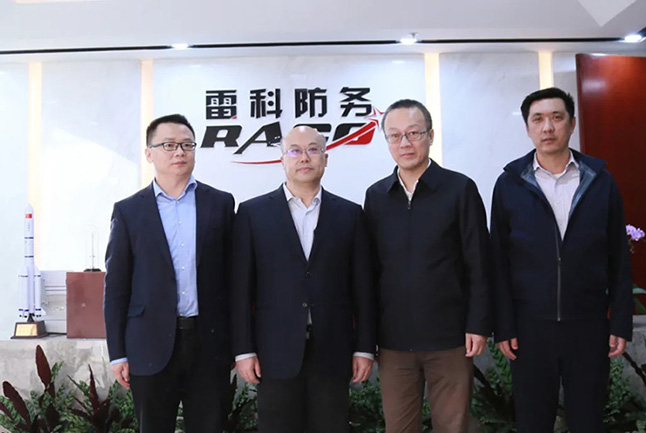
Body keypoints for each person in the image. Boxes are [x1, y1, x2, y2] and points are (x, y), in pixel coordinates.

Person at [491, 87, 633, 432]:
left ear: (572, 124)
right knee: (533, 422)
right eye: (538, 119)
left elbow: (618, 257)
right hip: (529, 329)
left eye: (557, 117)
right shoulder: (509, 184)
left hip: (587, 325)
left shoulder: (600, 181)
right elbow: (498, 261)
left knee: (588, 420)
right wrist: (504, 325)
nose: (548, 127)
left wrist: (620, 322)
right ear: (527, 128)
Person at [231, 126, 375, 433]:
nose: (304, 157)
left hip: (333, 349)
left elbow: (362, 288)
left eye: (313, 149)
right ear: (282, 159)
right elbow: (241, 289)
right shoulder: (252, 213)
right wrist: (244, 350)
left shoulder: (350, 214)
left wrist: (364, 348)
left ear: (326, 158)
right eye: (295, 151)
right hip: (274, 353)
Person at [364, 99, 492, 433]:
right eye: (395, 136)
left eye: (414, 133)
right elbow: (370, 271)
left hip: (450, 337)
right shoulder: (377, 196)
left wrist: (478, 323)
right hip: (393, 340)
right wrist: (368, 336)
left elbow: (479, 262)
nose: (405, 143)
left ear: (431, 135)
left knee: (451, 426)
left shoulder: (459, 189)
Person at [103, 114, 235, 433]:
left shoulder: (220, 203)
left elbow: (234, 280)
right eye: (169, 145)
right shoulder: (129, 211)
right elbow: (117, 288)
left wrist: (238, 342)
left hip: (209, 343)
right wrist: (118, 353)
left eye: (187, 145)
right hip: (148, 344)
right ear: (149, 153)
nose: (179, 152)